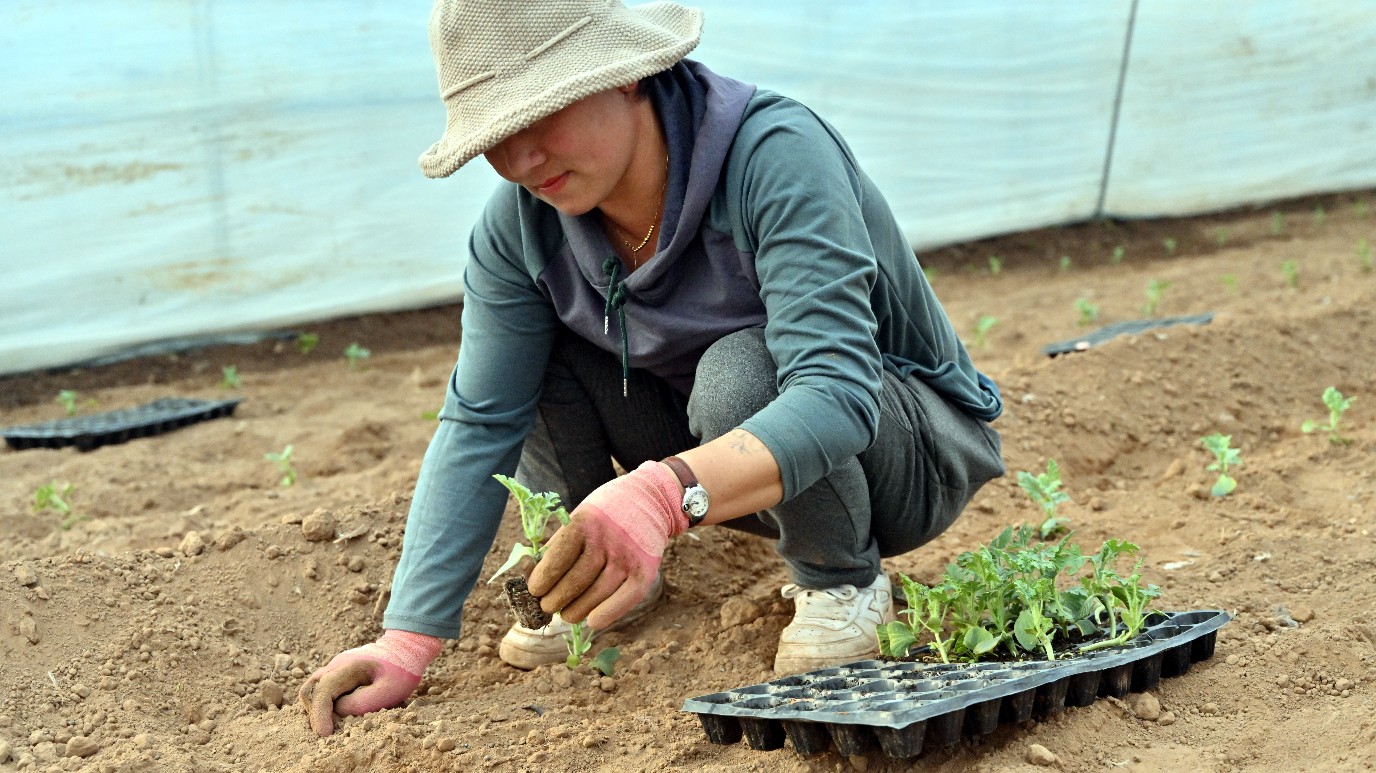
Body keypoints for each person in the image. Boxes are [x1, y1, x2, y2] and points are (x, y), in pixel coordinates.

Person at [300, 0, 1005, 737]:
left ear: (627, 76)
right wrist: (409, 637)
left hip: (902, 451)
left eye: (539, 117)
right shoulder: (518, 229)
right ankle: (601, 582)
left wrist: (661, 496)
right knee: (530, 359)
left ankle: (841, 582)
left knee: (740, 369)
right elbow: (480, 419)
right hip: (726, 454)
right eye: (494, 137)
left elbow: (836, 391)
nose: (519, 161)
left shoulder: (774, 153)